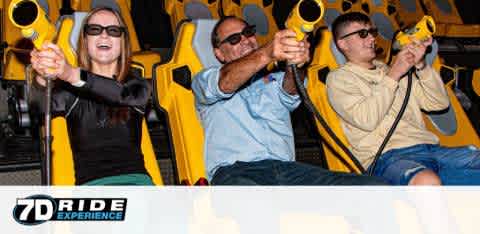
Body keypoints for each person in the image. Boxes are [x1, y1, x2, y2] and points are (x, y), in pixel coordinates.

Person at [191, 16, 387, 185]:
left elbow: (291, 92)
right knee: (255, 211)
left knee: (373, 189)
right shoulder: (205, 78)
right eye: (234, 39)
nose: (245, 40)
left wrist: (298, 63)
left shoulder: (273, 78)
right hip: (235, 173)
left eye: (248, 32)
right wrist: (267, 53)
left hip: (289, 172)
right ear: (219, 53)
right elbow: (224, 83)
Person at [327, 12, 480, 185]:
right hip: (387, 158)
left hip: (431, 149)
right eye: (362, 34)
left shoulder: (390, 69)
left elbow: (438, 103)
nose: (371, 38)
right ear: (343, 43)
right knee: (426, 180)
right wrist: (394, 75)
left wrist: (421, 65)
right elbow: (366, 119)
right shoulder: (340, 78)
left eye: (372, 32)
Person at [30, 7, 153, 185]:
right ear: (85, 40)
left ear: (123, 41)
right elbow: (38, 105)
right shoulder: (70, 91)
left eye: (113, 31)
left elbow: (122, 95)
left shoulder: (138, 85)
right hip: (91, 189)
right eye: (95, 29)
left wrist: (71, 74)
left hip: (137, 184)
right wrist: (43, 75)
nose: (104, 36)